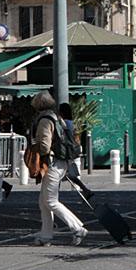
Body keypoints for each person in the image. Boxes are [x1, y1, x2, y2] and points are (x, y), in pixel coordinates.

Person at [31, 91, 86, 246]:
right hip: (61, 162)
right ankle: (46, 235)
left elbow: (44, 144)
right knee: (44, 201)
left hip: (52, 163)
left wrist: (38, 156)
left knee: (50, 200)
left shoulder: (44, 120)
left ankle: (77, 228)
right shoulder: (57, 117)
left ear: (38, 106)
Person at [58, 102, 94, 200]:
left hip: (66, 151)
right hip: (72, 151)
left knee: (59, 173)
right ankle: (85, 190)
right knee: (68, 173)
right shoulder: (72, 123)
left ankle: (54, 195)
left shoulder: (63, 123)